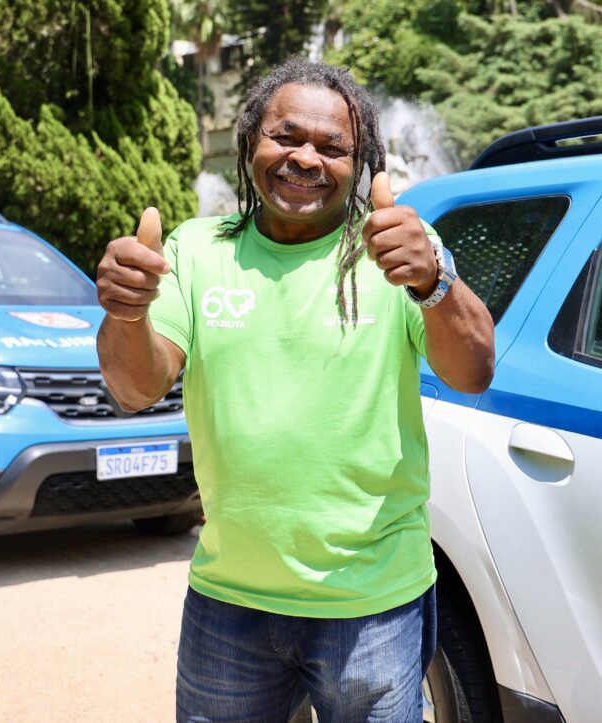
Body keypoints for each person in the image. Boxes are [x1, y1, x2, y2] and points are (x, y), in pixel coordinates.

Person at [96, 58, 495, 722]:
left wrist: (435, 281)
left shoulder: (397, 250)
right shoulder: (196, 250)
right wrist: (127, 311)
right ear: (250, 139)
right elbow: (135, 387)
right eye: (286, 136)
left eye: (332, 147)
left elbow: (474, 369)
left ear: (358, 163)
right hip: (230, 600)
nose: (305, 158)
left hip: (371, 603)